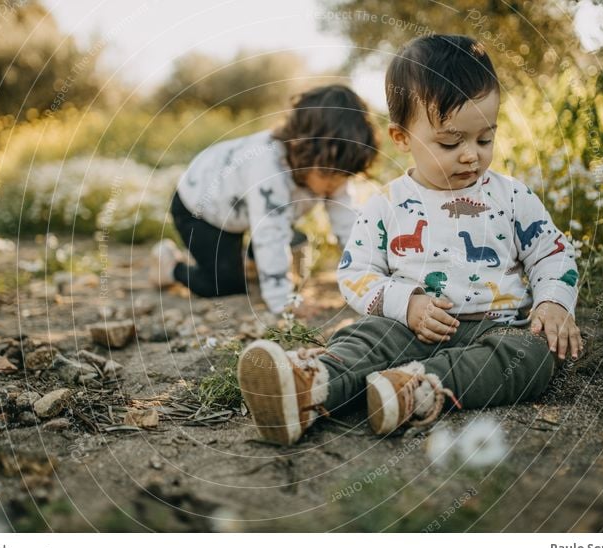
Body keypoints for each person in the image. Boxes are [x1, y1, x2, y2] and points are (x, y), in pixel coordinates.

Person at [237, 34, 584, 445]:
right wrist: (406, 303)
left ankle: (415, 388)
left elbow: (553, 253)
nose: (471, 155)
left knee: (534, 357)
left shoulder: (511, 196)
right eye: (450, 142)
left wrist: (553, 302)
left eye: (485, 138)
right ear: (402, 138)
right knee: (365, 336)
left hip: (498, 329)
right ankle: (310, 384)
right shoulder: (387, 205)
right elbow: (356, 274)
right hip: (407, 327)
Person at [149, 84, 379, 314]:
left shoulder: (331, 166)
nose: (335, 185)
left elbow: (349, 224)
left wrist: (369, 274)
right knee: (225, 284)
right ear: (301, 148)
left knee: (287, 241)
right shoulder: (269, 168)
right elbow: (269, 233)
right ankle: (169, 267)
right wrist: (283, 300)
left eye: (344, 176)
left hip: (246, 213)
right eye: (328, 175)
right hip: (200, 210)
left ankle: (251, 262)